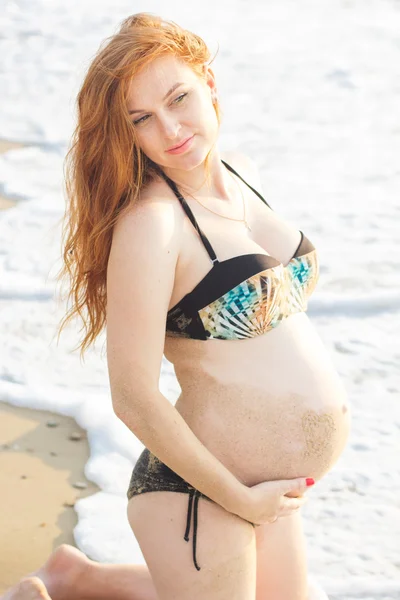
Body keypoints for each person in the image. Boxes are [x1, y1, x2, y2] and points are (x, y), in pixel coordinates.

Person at [2, 12, 352, 600]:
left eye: (179, 98)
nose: (170, 129)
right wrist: (240, 499)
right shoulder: (150, 225)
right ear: (126, 135)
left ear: (209, 85)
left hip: (272, 487)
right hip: (202, 493)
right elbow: (132, 395)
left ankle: (76, 579)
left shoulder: (242, 175)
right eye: (142, 120)